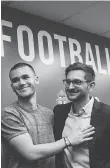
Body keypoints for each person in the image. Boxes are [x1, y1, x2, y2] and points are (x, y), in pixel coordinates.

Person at [1, 62, 95, 168]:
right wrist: (69, 140)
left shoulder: (49, 113)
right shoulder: (10, 113)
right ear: (12, 86)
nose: (21, 82)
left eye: (25, 77)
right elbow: (30, 153)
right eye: (15, 80)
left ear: (36, 79)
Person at [53, 62, 110, 168]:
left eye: (77, 82)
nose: (70, 87)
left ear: (91, 86)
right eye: (67, 82)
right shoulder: (59, 112)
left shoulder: (107, 114)